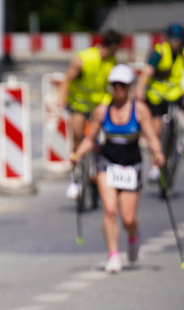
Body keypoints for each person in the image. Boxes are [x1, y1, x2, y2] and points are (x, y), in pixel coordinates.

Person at [71, 64, 165, 274]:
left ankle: (133, 235)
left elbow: (151, 138)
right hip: (107, 163)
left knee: (128, 218)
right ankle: (113, 255)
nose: (118, 88)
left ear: (130, 86)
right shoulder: (102, 111)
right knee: (110, 210)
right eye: (115, 85)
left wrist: (158, 153)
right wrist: (77, 154)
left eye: (122, 85)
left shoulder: (140, 110)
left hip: (131, 166)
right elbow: (90, 138)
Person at [58, 29, 124, 200]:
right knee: (77, 137)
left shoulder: (112, 61)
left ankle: (99, 167)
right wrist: (61, 101)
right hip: (79, 103)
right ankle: (75, 178)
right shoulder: (84, 59)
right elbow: (67, 79)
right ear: (115, 46)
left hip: (99, 105)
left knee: (103, 138)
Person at [135, 22, 184, 183]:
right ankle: (155, 167)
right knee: (156, 131)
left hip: (175, 94)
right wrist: (140, 89)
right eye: (173, 39)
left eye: (179, 40)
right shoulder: (160, 52)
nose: (176, 43)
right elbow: (146, 72)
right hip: (156, 96)